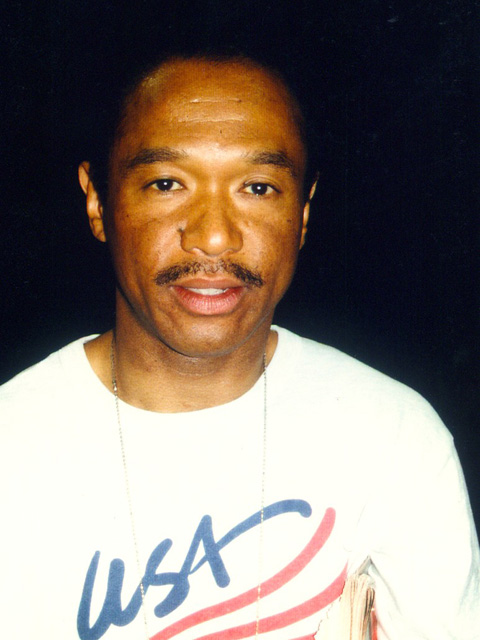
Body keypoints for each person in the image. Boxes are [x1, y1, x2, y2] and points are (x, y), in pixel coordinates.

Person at [0, 51, 478, 640]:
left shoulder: (394, 438)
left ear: (303, 212)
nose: (213, 236)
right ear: (98, 200)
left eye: (258, 187)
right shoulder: (13, 446)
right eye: (166, 183)